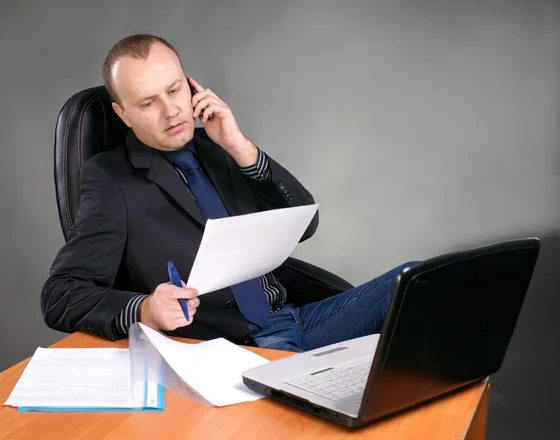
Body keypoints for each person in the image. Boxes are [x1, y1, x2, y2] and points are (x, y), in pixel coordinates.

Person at [41, 34, 416, 352]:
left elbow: (305, 223)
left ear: (190, 86)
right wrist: (144, 309)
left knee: (414, 286)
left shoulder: (218, 144)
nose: (172, 111)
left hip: (297, 320)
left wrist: (240, 149)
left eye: (175, 90)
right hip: (227, 350)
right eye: (148, 102)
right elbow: (61, 294)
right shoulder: (109, 178)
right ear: (123, 115)